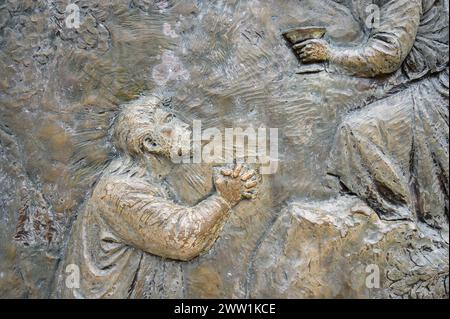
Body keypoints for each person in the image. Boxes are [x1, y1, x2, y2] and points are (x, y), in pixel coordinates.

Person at [54, 96, 260, 298]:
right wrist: (223, 199)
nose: (185, 126)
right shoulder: (120, 191)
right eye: (170, 120)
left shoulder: (144, 183)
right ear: (151, 143)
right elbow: (183, 239)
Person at [294, 0, 448, 228]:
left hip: (439, 93)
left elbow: (387, 55)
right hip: (426, 80)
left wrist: (329, 54)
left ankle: (397, 217)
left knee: (357, 132)